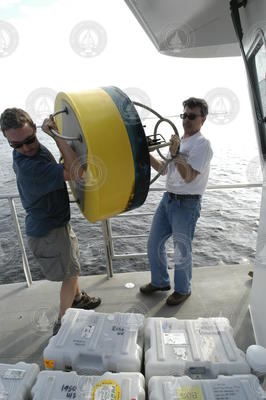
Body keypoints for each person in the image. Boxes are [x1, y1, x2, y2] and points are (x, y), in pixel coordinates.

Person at [0, 108, 101, 335]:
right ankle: (62, 325)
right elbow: (77, 172)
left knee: (72, 265)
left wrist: (54, 132)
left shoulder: (27, 154)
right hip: (49, 232)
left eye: (29, 140)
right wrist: (54, 135)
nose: (25, 148)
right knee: (71, 274)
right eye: (16, 145)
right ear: (8, 141)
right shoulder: (31, 168)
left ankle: (77, 298)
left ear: (35, 130)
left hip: (56, 225)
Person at [140, 97, 213, 305]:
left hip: (187, 204)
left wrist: (176, 152)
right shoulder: (180, 141)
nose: (187, 120)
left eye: (192, 116)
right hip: (168, 200)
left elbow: (189, 176)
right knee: (154, 242)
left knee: (181, 249)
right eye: (184, 115)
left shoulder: (202, 144)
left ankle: (183, 289)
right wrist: (147, 153)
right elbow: (164, 171)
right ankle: (160, 281)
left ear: (203, 119)